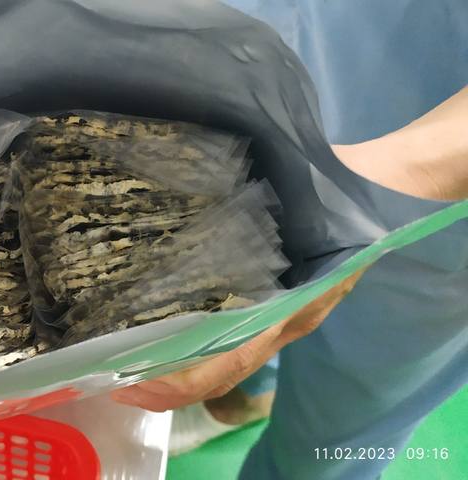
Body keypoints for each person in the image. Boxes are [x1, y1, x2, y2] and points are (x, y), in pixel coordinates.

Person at [112, 1, 468, 478]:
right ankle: (243, 398)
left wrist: (387, 184)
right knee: (237, 296)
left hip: (449, 167)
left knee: (334, 430)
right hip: (298, 29)